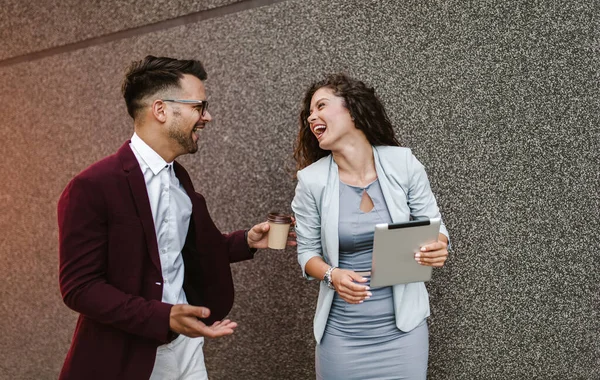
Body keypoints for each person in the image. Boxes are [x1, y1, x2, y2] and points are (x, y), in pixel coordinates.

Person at [57, 55, 294, 380]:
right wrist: (163, 316)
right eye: (199, 106)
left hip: (187, 351)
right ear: (161, 110)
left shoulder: (179, 178)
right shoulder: (92, 187)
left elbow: (176, 251)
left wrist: (246, 241)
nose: (207, 117)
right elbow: (80, 287)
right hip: (127, 358)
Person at [291, 73, 450, 379]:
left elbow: (435, 227)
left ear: (351, 109)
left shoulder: (403, 163)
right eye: (309, 113)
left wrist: (438, 246)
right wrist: (331, 274)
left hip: (404, 333)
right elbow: (307, 252)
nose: (312, 117)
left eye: (321, 106)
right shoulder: (311, 181)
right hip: (342, 337)